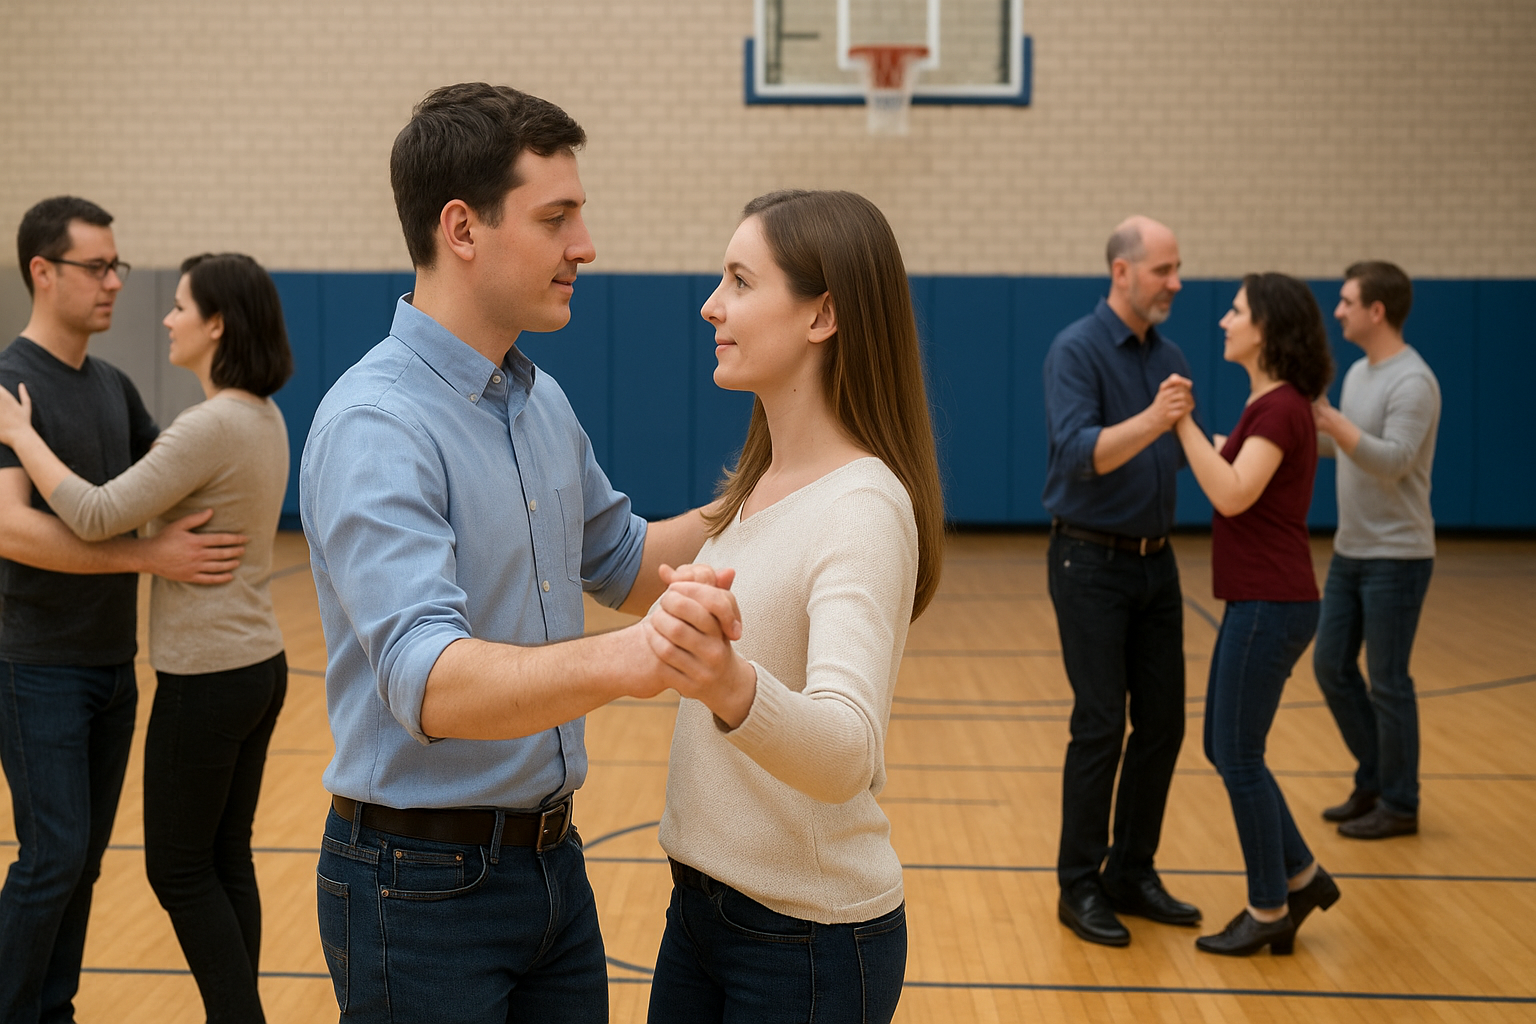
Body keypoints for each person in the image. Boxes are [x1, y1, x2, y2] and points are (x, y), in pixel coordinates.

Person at [299, 83, 738, 1024]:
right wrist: (636, 660)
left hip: (549, 869)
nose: (585, 246)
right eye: (557, 218)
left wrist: (774, 483)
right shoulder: (378, 424)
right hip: (417, 889)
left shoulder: (539, 403)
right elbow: (432, 683)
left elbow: (628, 560)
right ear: (461, 228)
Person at [640, 189, 945, 1023]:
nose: (712, 305)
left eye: (740, 280)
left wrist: (727, 682)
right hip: (700, 909)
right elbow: (627, 566)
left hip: (805, 942)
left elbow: (848, 748)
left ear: (823, 316)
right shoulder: (756, 483)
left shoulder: (863, 507)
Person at [0, 252, 293, 1023]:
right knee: (226, 858)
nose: (165, 317)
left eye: (181, 306)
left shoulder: (211, 423)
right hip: (258, 667)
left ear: (217, 326)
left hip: (208, 677)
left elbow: (96, 513)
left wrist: (18, 435)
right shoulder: (261, 414)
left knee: (178, 870)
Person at [1041, 215, 1201, 947]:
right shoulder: (1075, 349)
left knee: (1163, 723)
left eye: (1175, 269)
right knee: (1101, 723)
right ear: (1122, 271)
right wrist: (1154, 417)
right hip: (1090, 563)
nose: (1175, 282)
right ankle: (1079, 885)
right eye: (1164, 269)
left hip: (1156, 562)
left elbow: (1181, 446)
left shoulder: (1165, 352)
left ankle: (1132, 871)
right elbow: (1080, 455)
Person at [1172, 273, 1342, 956]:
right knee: (1227, 746)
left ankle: (1269, 905)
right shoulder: (1272, 404)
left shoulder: (1278, 409)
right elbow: (1245, 478)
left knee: (1238, 754)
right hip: (1264, 597)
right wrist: (1212, 444)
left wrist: (1182, 426)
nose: (1223, 321)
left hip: (1274, 601)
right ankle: (1300, 876)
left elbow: (1235, 495)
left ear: (1266, 327)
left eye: (1237, 311)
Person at [1312, 261, 1440, 840]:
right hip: (1351, 550)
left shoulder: (1414, 382)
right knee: (1331, 666)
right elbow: (1351, 448)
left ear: (1376, 311)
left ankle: (1401, 803)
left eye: (1346, 301)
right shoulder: (1361, 373)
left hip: (1398, 556)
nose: (1337, 311)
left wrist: (1334, 424)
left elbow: (1393, 460)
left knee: (1388, 681)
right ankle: (1374, 779)